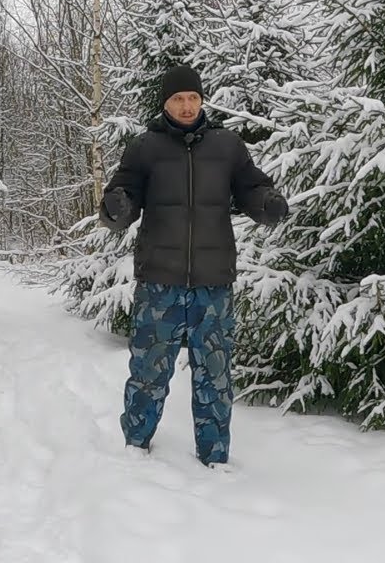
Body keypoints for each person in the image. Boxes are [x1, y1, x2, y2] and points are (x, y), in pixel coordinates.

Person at [99, 64, 288, 468]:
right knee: (149, 372)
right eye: (178, 99)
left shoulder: (227, 147)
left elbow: (251, 187)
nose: (186, 106)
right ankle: (135, 446)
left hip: (213, 283)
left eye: (192, 98)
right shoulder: (145, 148)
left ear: (201, 101)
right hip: (159, 283)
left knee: (215, 377)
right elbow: (123, 197)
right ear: (165, 103)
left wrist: (267, 204)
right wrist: (116, 208)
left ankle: (215, 457)